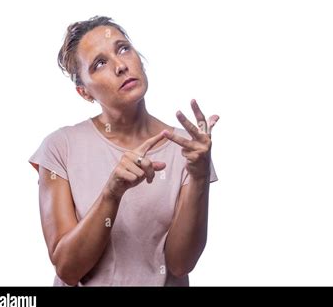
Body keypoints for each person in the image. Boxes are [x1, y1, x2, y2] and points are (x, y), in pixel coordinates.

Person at [28, 16, 219, 286]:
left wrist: (199, 176)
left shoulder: (189, 148)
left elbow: (180, 263)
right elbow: (68, 269)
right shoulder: (60, 148)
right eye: (100, 63)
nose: (120, 66)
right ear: (84, 92)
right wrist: (112, 192)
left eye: (123, 48)